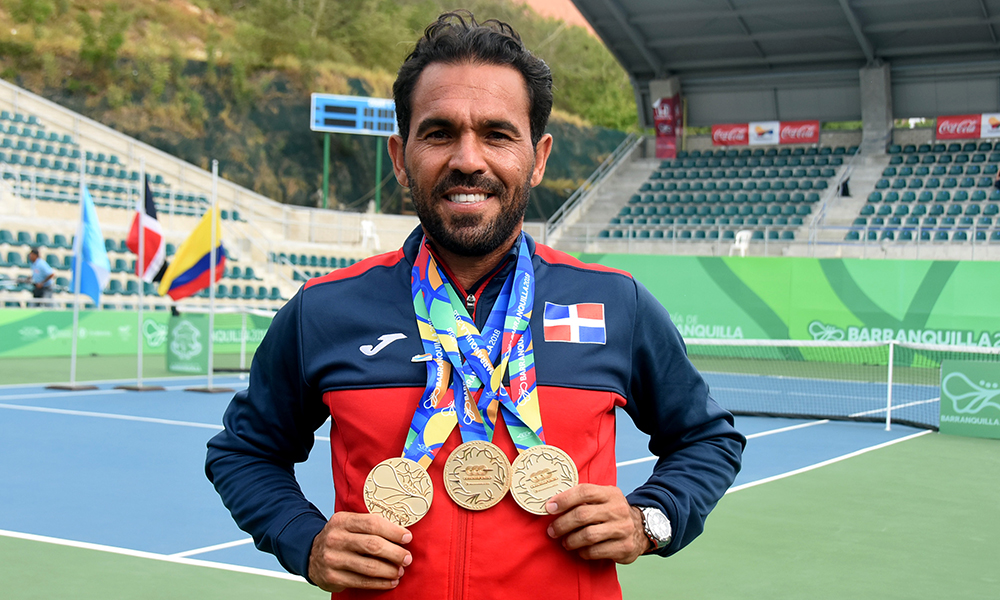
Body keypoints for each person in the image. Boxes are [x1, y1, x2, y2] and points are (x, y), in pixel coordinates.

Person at [206, 11, 744, 599]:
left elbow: (707, 438)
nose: (468, 159)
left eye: (497, 133)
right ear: (399, 155)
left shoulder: (616, 303)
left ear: (537, 158)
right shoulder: (324, 309)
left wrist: (651, 520)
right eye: (438, 133)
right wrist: (302, 539)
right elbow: (245, 452)